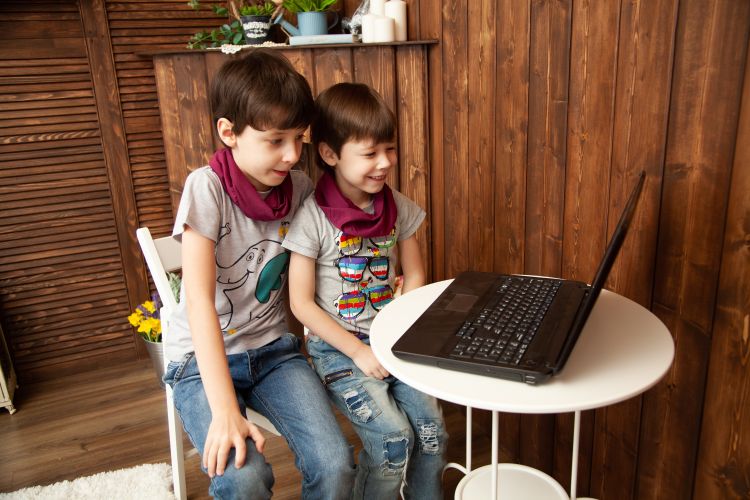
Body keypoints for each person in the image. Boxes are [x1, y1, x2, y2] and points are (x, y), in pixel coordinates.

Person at [162, 49, 355, 500]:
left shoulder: (301, 189)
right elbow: (198, 304)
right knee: (242, 479)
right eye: (275, 140)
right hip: (200, 361)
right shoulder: (205, 188)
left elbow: (323, 265)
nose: (292, 155)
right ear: (229, 132)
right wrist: (226, 409)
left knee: (336, 465)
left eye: (299, 139)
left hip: (273, 352)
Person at [283, 82, 448, 499]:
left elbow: (414, 274)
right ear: (330, 154)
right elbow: (301, 304)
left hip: (392, 338)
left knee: (432, 433)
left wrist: (398, 330)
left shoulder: (398, 207)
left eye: (389, 149)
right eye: (370, 153)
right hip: (340, 350)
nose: (385, 162)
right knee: (394, 441)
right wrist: (358, 351)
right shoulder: (312, 219)